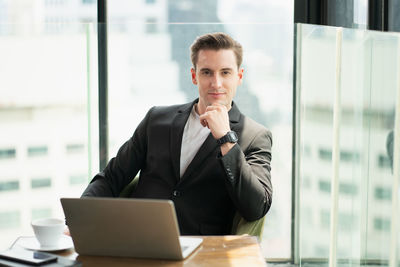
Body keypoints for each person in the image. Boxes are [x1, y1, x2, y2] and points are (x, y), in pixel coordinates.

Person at [81, 32, 273, 235]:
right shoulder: (156, 120)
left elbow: (256, 207)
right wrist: (77, 221)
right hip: (139, 241)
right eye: (207, 72)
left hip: (202, 253)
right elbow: (111, 177)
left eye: (225, 72)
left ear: (239, 77)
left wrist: (226, 139)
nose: (216, 83)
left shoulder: (254, 136)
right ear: (194, 76)